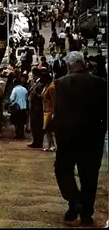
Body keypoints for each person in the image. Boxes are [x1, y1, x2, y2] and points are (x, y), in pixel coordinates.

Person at [53, 51, 107, 226]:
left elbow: (59, 112)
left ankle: (75, 201)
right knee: (89, 176)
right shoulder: (99, 83)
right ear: (83, 63)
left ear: (69, 65)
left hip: (68, 137)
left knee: (63, 170)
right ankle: (85, 213)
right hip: (93, 138)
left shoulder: (61, 83)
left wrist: (58, 135)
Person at [28, 68, 46, 148]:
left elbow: (42, 96)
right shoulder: (35, 83)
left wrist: (34, 94)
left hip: (37, 107)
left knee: (37, 125)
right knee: (33, 124)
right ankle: (35, 140)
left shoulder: (41, 84)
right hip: (33, 106)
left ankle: (38, 141)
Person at [40, 71, 56, 152]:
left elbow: (54, 100)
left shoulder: (51, 87)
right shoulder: (46, 87)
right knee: (47, 130)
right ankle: (49, 145)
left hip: (49, 111)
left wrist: (53, 112)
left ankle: (52, 145)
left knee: (49, 129)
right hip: (45, 110)